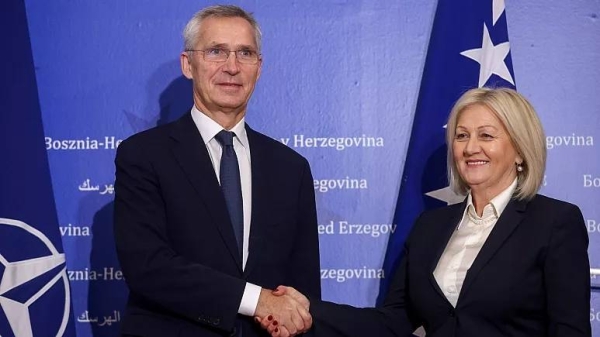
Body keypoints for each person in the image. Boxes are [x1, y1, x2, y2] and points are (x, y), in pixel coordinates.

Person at [260, 87, 591, 337]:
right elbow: (392, 323)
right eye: (461, 136)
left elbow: (569, 331)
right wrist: (308, 310)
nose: (470, 147)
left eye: (486, 135)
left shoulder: (555, 223)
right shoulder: (430, 227)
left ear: (520, 149)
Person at [113, 5, 321, 337]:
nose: (232, 67)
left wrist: (293, 318)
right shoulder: (144, 156)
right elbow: (148, 267)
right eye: (216, 52)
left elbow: (302, 289)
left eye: (245, 53)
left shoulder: (291, 168)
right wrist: (258, 301)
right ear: (188, 64)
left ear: (259, 67)